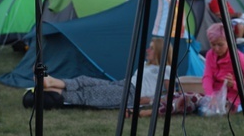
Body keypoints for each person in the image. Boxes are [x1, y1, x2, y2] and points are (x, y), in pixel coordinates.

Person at [42, 37, 171, 109]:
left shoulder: (166, 69)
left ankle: (52, 90)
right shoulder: (145, 64)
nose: (147, 50)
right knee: (86, 80)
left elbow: (170, 95)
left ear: (160, 52)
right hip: (124, 84)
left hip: (132, 94)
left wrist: (149, 101)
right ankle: (51, 81)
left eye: (152, 48)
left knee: (91, 94)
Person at [202, 23, 244, 114]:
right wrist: (210, 96)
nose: (216, 48)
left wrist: (234, 84)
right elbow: (207, 77)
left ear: (230, 42)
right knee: (190, 98)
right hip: (214, 94)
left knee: (219, 110)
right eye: (213, 44)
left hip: (231, 99)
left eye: (220, 45)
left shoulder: (238, 59)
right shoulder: (210, 55)